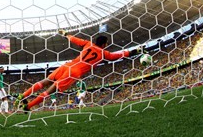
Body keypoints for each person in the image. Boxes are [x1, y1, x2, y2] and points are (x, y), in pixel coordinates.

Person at [15, 30, 143, 111]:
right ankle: (28, 107)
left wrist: (65, 34)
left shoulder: (88, 43)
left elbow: (73, 39)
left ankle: (23, 95)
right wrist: (135, 51)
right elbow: (119, 55)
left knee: (45, 81)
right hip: (74, 72)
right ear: (104, 44)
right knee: (49, 91)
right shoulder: (104, 53)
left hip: (68, 65)